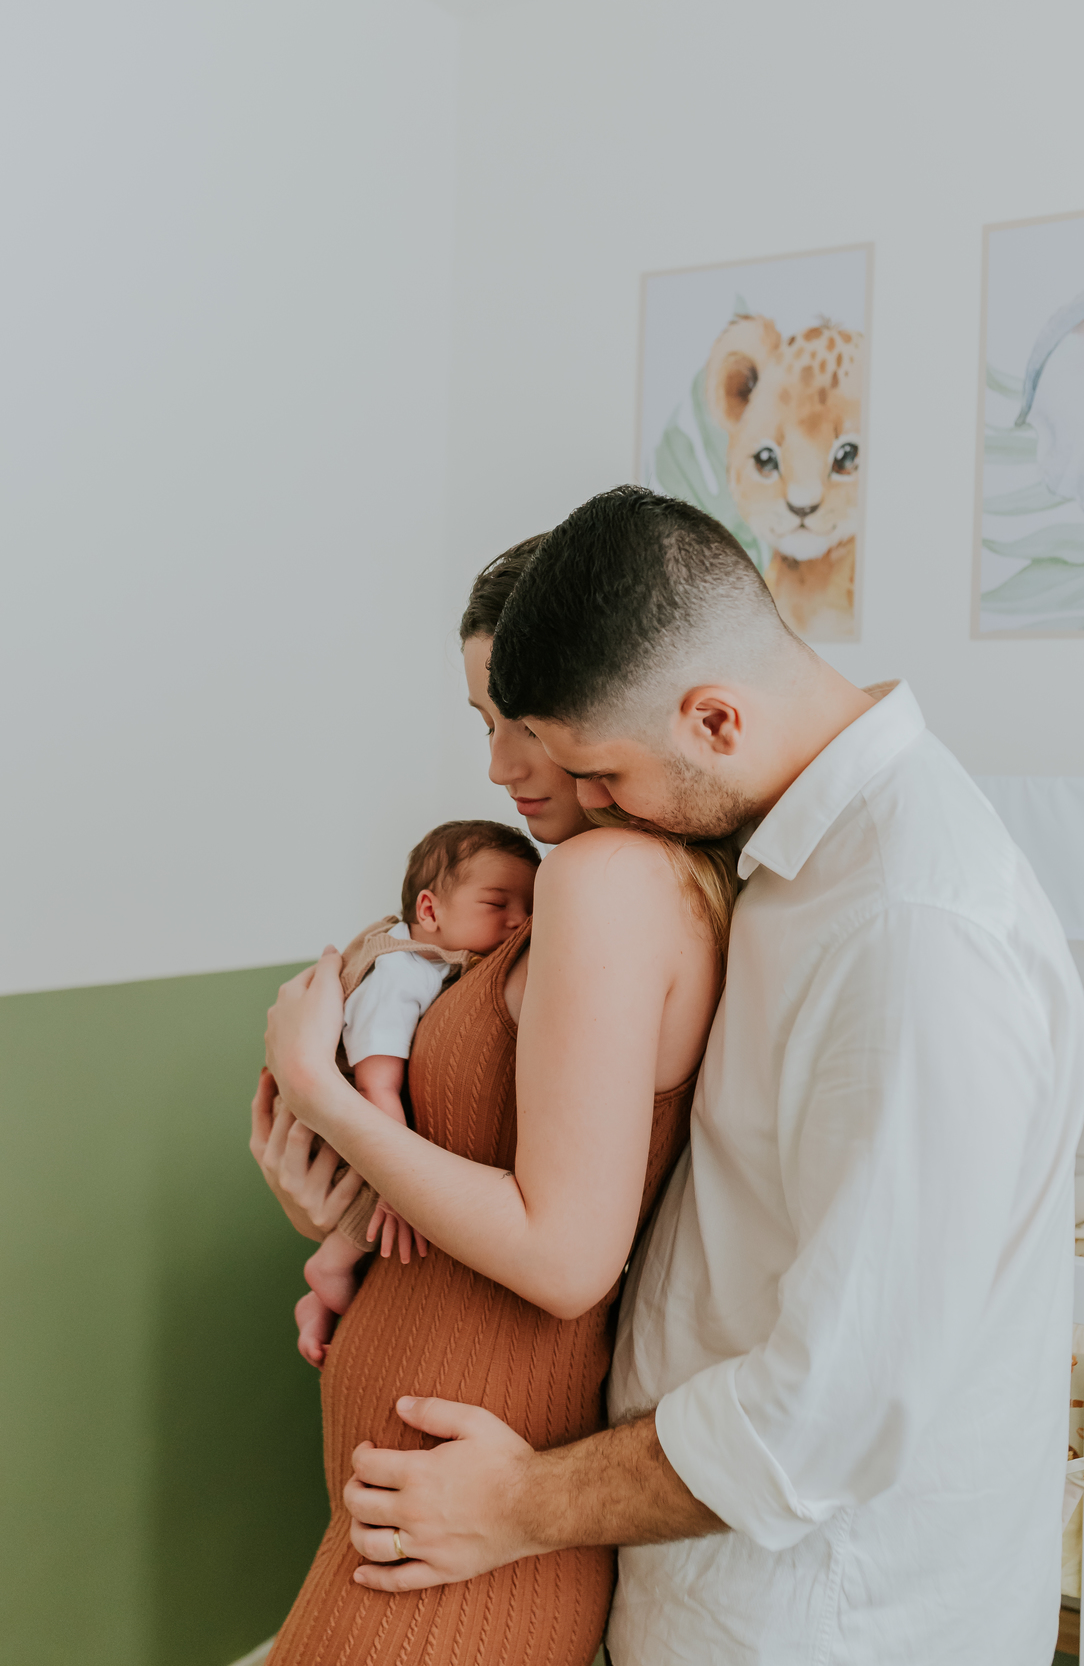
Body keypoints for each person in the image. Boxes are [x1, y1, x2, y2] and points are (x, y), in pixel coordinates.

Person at [332, 488, 1084, 1666]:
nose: (582, 808)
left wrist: (517, 1504)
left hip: (819, 1623)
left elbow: (827, 1414)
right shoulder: (791, 858)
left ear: (716, 722)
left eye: (606, 773)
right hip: (696, 1588)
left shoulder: (914, 929)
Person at [250, 534, 737, 1666]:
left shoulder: (606, 880)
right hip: (419, 1499)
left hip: (466, 1516)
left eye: (520, 719)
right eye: (485, 721)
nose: (500, 762)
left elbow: (563, 1255)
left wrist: (325, 1093)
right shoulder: (563, 892)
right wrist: (338, 1215)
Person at [295, 819, 541, 1368]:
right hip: (345, 1116)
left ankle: (322, 1298)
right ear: (428, 911)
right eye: (497, 904)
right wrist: (398, 1186)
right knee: (378, 1196)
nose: (519, 920)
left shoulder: (437, 957)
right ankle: (330, 1265)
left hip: (359, 1111)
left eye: (530, 906)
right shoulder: (400, 973)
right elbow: (375, 1084)